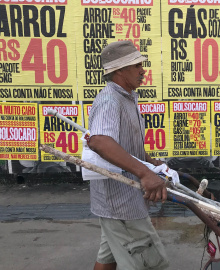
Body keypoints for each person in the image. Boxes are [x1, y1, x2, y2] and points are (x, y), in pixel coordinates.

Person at [87, 40, 169, 270]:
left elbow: (124, 145)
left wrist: (151, 163)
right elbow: (100, 141)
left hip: (120, 201)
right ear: (120, 70)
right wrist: (144, 173)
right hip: (121, 202)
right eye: (136, 66)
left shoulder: (127, 97)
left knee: (108, 257)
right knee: (148, 264)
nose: (143, 70)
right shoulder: (110, 100)